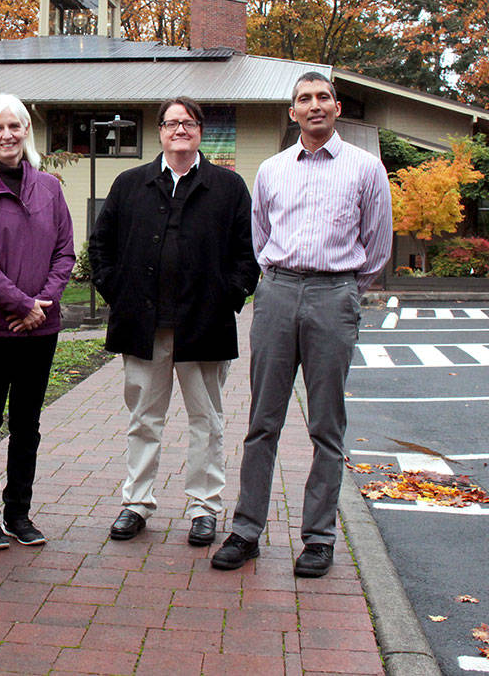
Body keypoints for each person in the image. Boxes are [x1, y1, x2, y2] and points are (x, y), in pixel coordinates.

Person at [212, 71, 393, 576]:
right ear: (292, 112)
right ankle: (246, 530)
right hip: (277, 293)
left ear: (337, 107)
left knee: (326, 426)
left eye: (322, 97)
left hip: (334, 297)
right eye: (303, 99)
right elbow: (259, 235)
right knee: (261, 422)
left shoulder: (366, 168)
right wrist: (280, 282)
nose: (313, 106)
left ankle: (319, 538)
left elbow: (377, 247)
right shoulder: (271, 170)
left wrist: (345, 294)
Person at [89, 97, 258, 547]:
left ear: (200, 131)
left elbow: (248, 253)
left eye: (187, 123)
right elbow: (100, 245)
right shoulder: (130, 185)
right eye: (170, 123)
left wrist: (229, 296)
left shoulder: (228, 187)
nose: (179, 130)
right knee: (144, 419)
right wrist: (118, 292)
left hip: (204, 326)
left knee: (207, 421)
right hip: (143, 326)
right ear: (160, 132)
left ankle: (204, 507)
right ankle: (136, 503)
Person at [0, 94, 75, 550]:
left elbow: (65, 251)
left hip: (39, 330)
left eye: (15, 126)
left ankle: (19, 513)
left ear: (27, 130)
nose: (7, 135)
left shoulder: (48, 187)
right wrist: (18, 304)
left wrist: (40, 305)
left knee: (27, 424)